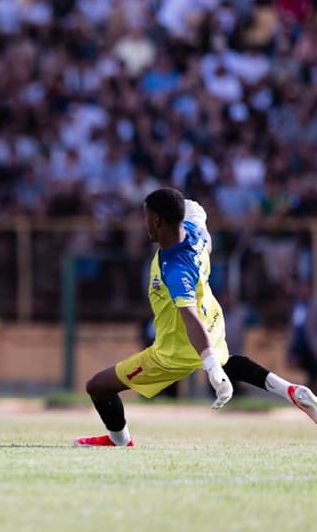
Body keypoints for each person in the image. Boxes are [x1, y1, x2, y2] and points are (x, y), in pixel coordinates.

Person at [76, 188, 317, 447]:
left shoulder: (176, 269)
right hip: (211, 322)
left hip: (176, 349)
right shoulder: (196, 233)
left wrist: (210, 366)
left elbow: (189, 317)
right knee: (229, 361)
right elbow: (196, 211)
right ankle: (289, 390)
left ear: (158, 220)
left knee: (98, 387)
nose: (142, 222)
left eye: (145, 216)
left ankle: (120, 440)